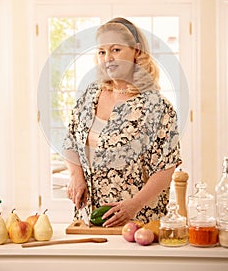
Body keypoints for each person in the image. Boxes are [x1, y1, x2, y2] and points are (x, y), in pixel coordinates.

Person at [62, 17, 181, 227]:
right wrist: (75, 175)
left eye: (116, 49)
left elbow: (166, 168)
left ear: (136, 51)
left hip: (137, 222)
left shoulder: (157, 107)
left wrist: (133, 205)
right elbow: (70, 141)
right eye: (101, 52)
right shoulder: (90, 95)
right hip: (89, 218)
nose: (108, 58)